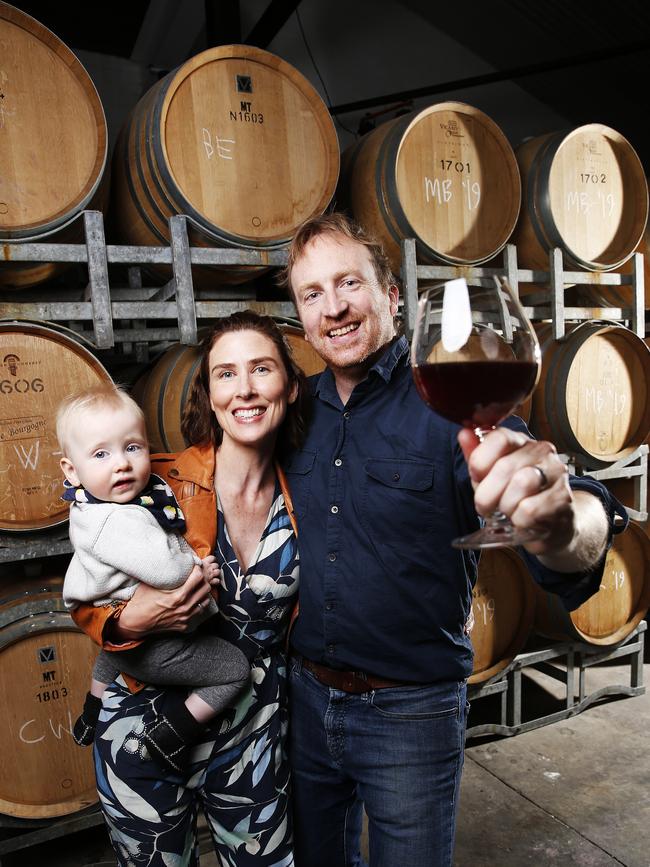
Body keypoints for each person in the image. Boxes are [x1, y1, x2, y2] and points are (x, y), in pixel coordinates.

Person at [279, 212, 629, 867]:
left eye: (348, 283)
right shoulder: (294, 411)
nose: (334, 307)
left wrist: (558, 522)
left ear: (391, 296)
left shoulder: (445, 402)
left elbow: (572, 514)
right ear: (301, 316)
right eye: (313, 293)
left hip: (410, 712)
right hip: (304, 701)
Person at [70, 311, 309, 866]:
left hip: (253, 732)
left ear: (290, 386)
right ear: (208, 392)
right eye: (225, 373)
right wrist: (132, 621)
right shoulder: (158, 482)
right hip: (140, 727)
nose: (244, 389)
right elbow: (88, 587)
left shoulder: (313, 490)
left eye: (262, 369)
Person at [57, 384, 250, 774]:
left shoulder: (100, 505)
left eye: (132, 447)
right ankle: (171, 735)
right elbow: (169, 570)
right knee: (235, 669)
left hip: (125, 646)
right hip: (157, 645)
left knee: (110, 656)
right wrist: (200, 569)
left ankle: (91, 710)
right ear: (71, 470)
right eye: (101, 454)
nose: (122, 464)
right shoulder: (113, 518)